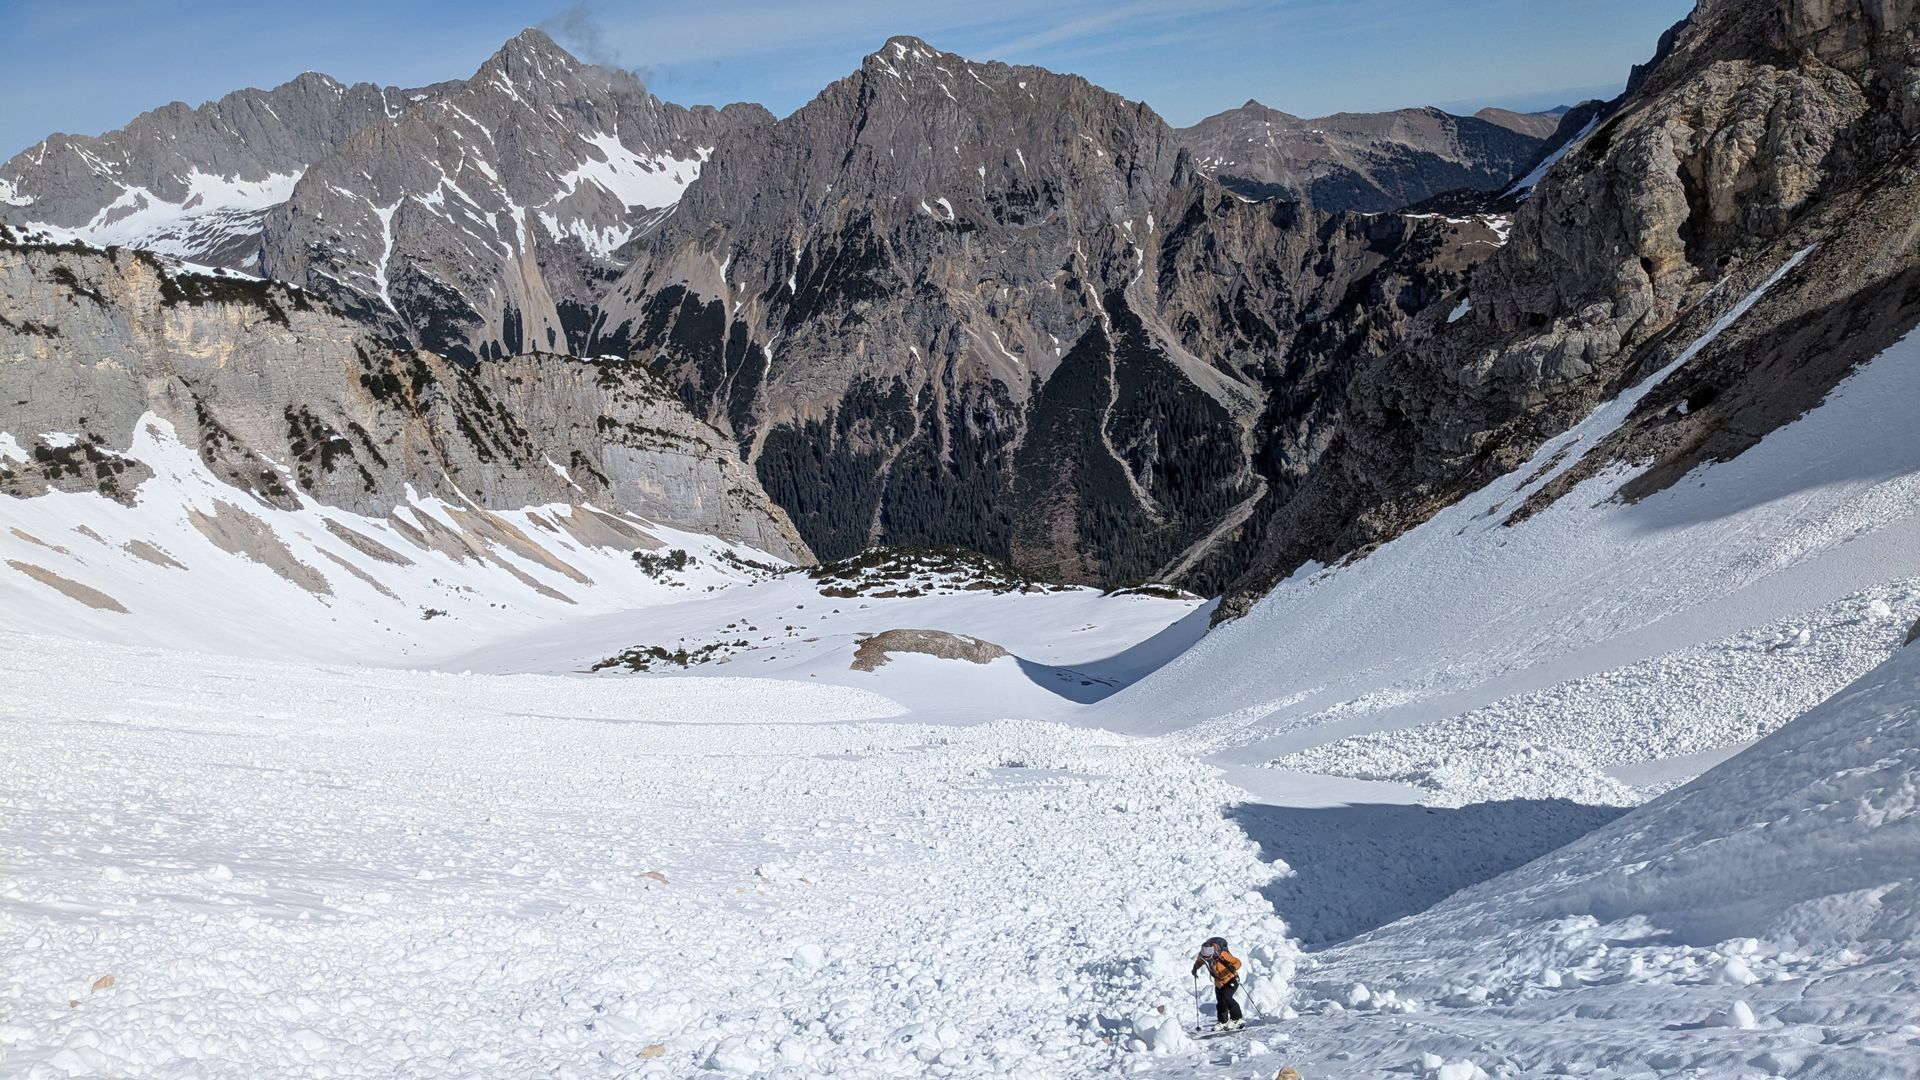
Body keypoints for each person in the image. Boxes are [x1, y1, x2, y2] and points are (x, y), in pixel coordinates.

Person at [1192, 935, 1244, 1030]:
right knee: (1221, 1001)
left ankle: (1237, 1019)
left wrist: (1233, 967)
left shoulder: (1222, 954)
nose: (1207, 958)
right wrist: (1195, 968)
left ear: (1212, 952)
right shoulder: (1203, 956)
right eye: (1205, 956)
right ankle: (1223, 1022)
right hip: (1219, 982)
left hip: (1231, 978)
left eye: (1209, 956)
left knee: (1226, 997)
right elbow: (1199, 961)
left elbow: (1238, 962)